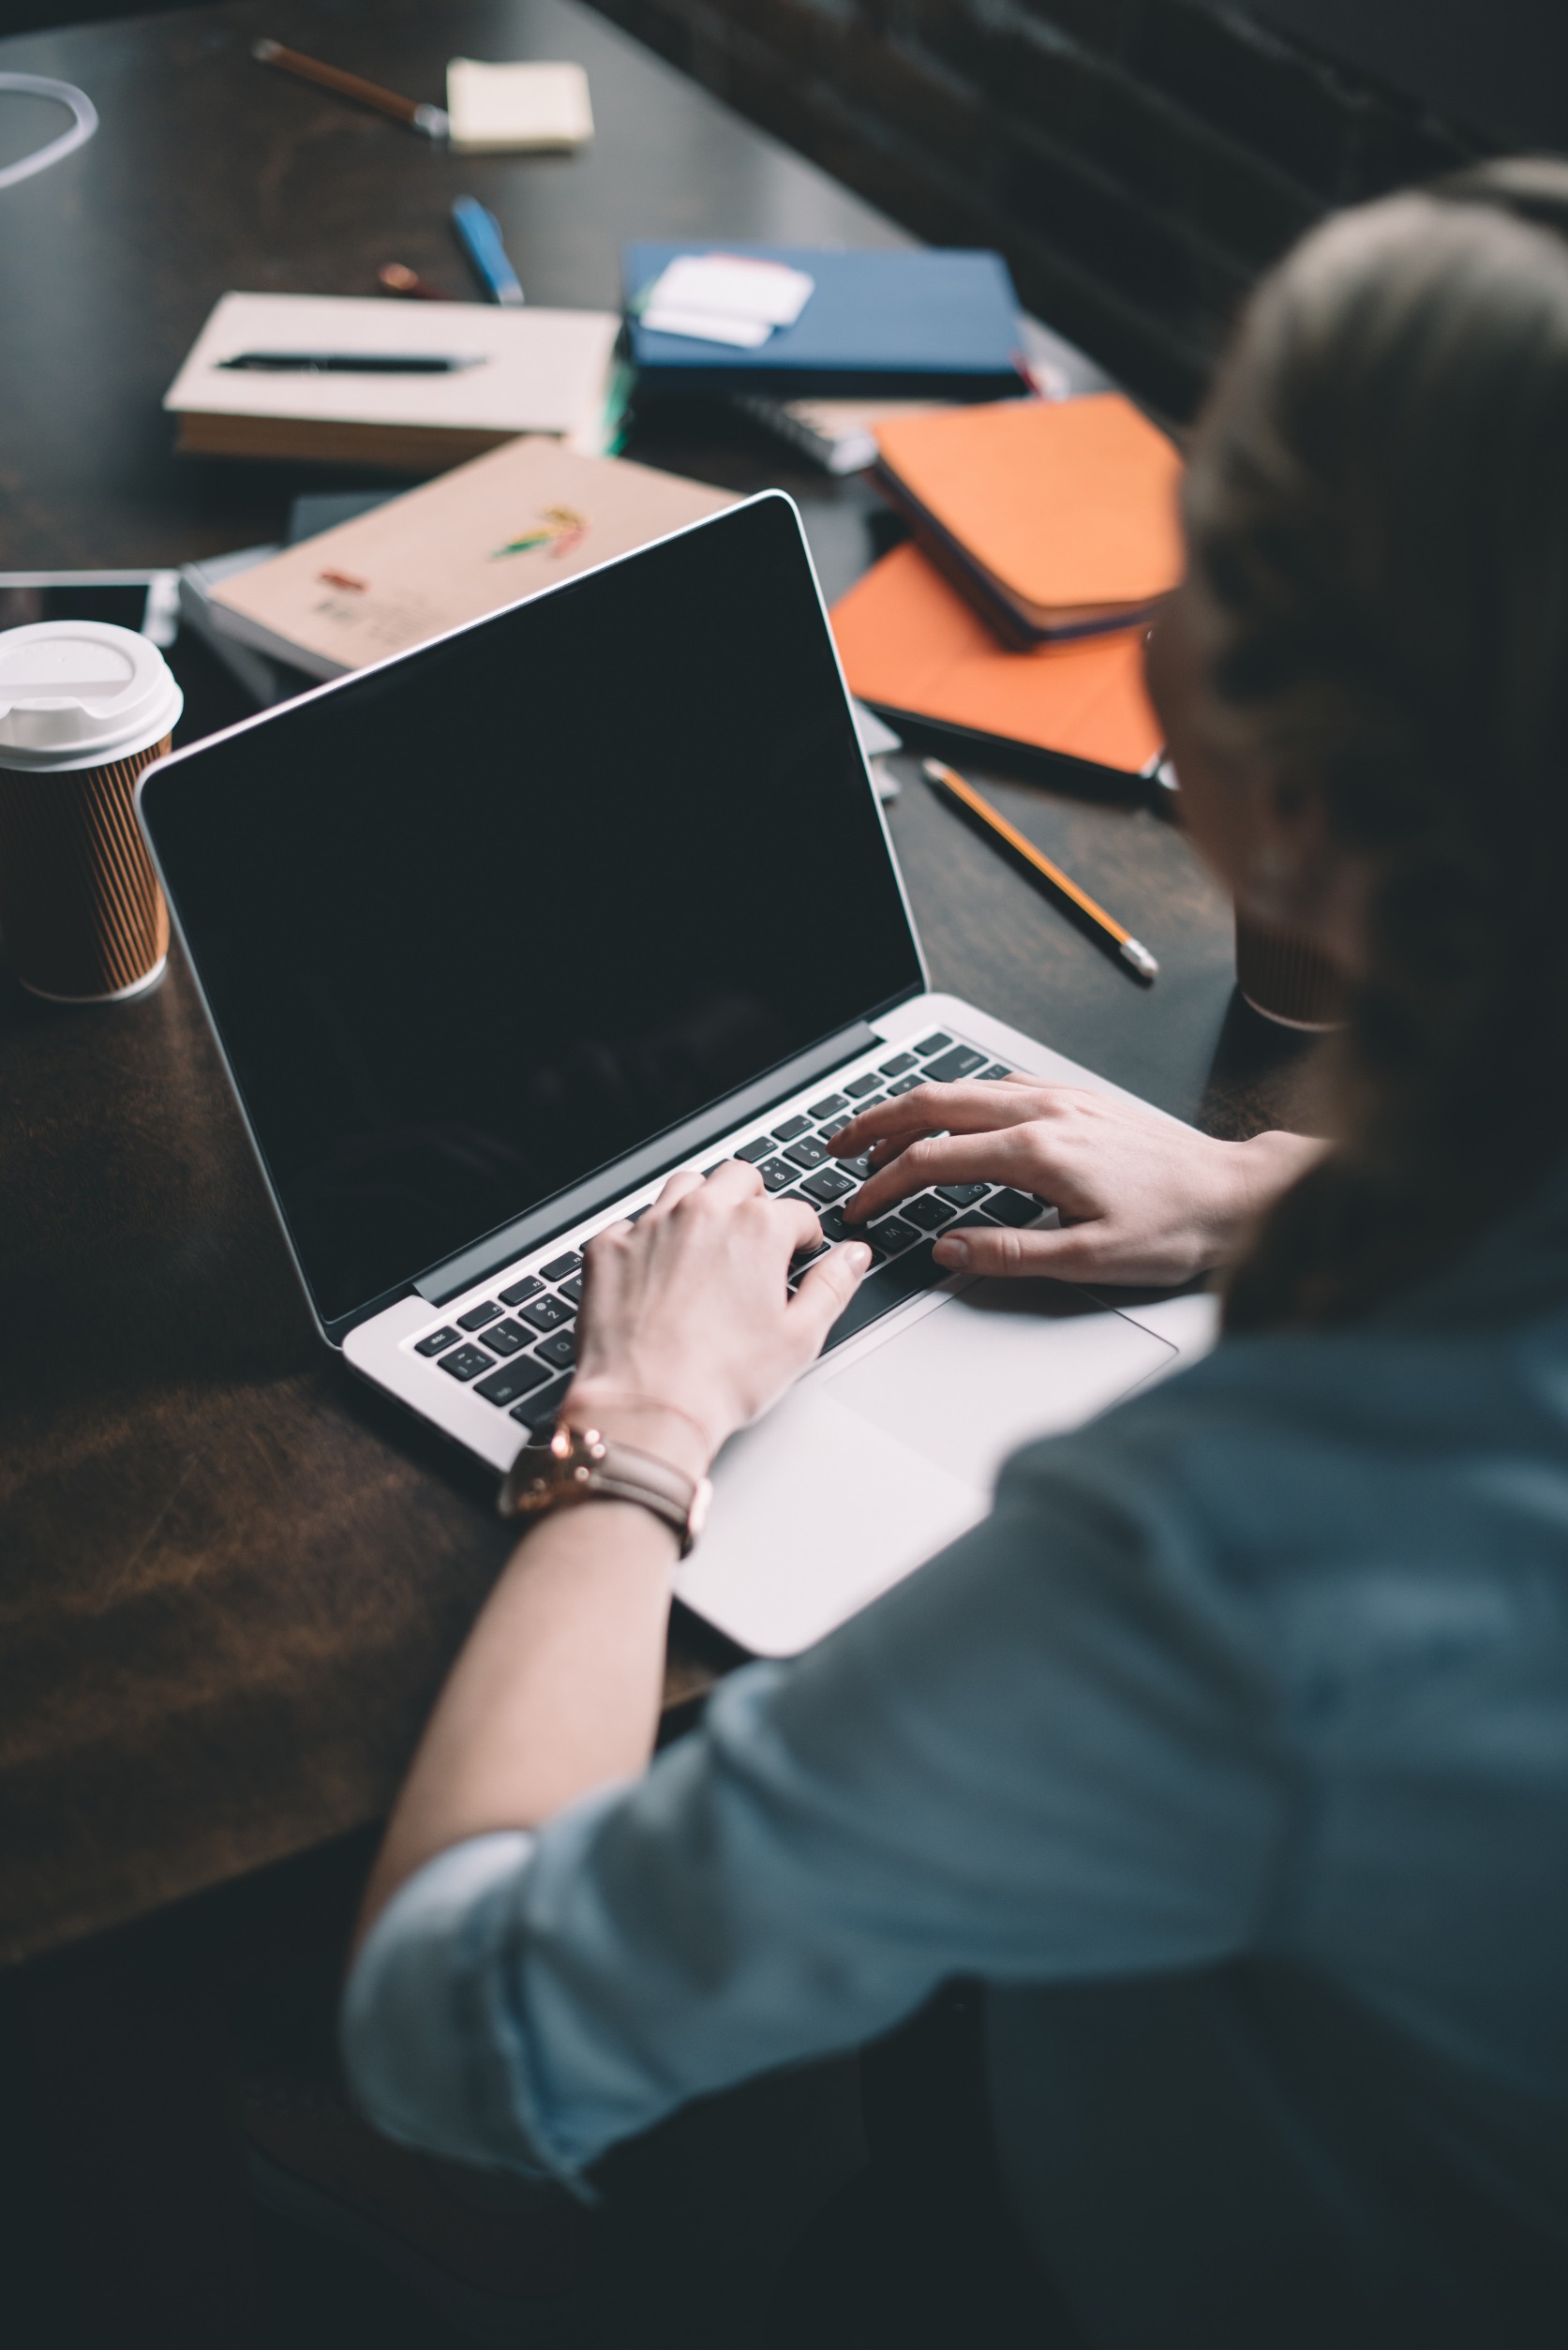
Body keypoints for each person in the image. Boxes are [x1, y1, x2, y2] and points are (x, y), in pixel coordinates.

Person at [341, 158, 1568, 2347]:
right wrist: (1266, 1181)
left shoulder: (1248, 1561)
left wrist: (630, 1429)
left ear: (1287, 786)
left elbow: (462, 2043)